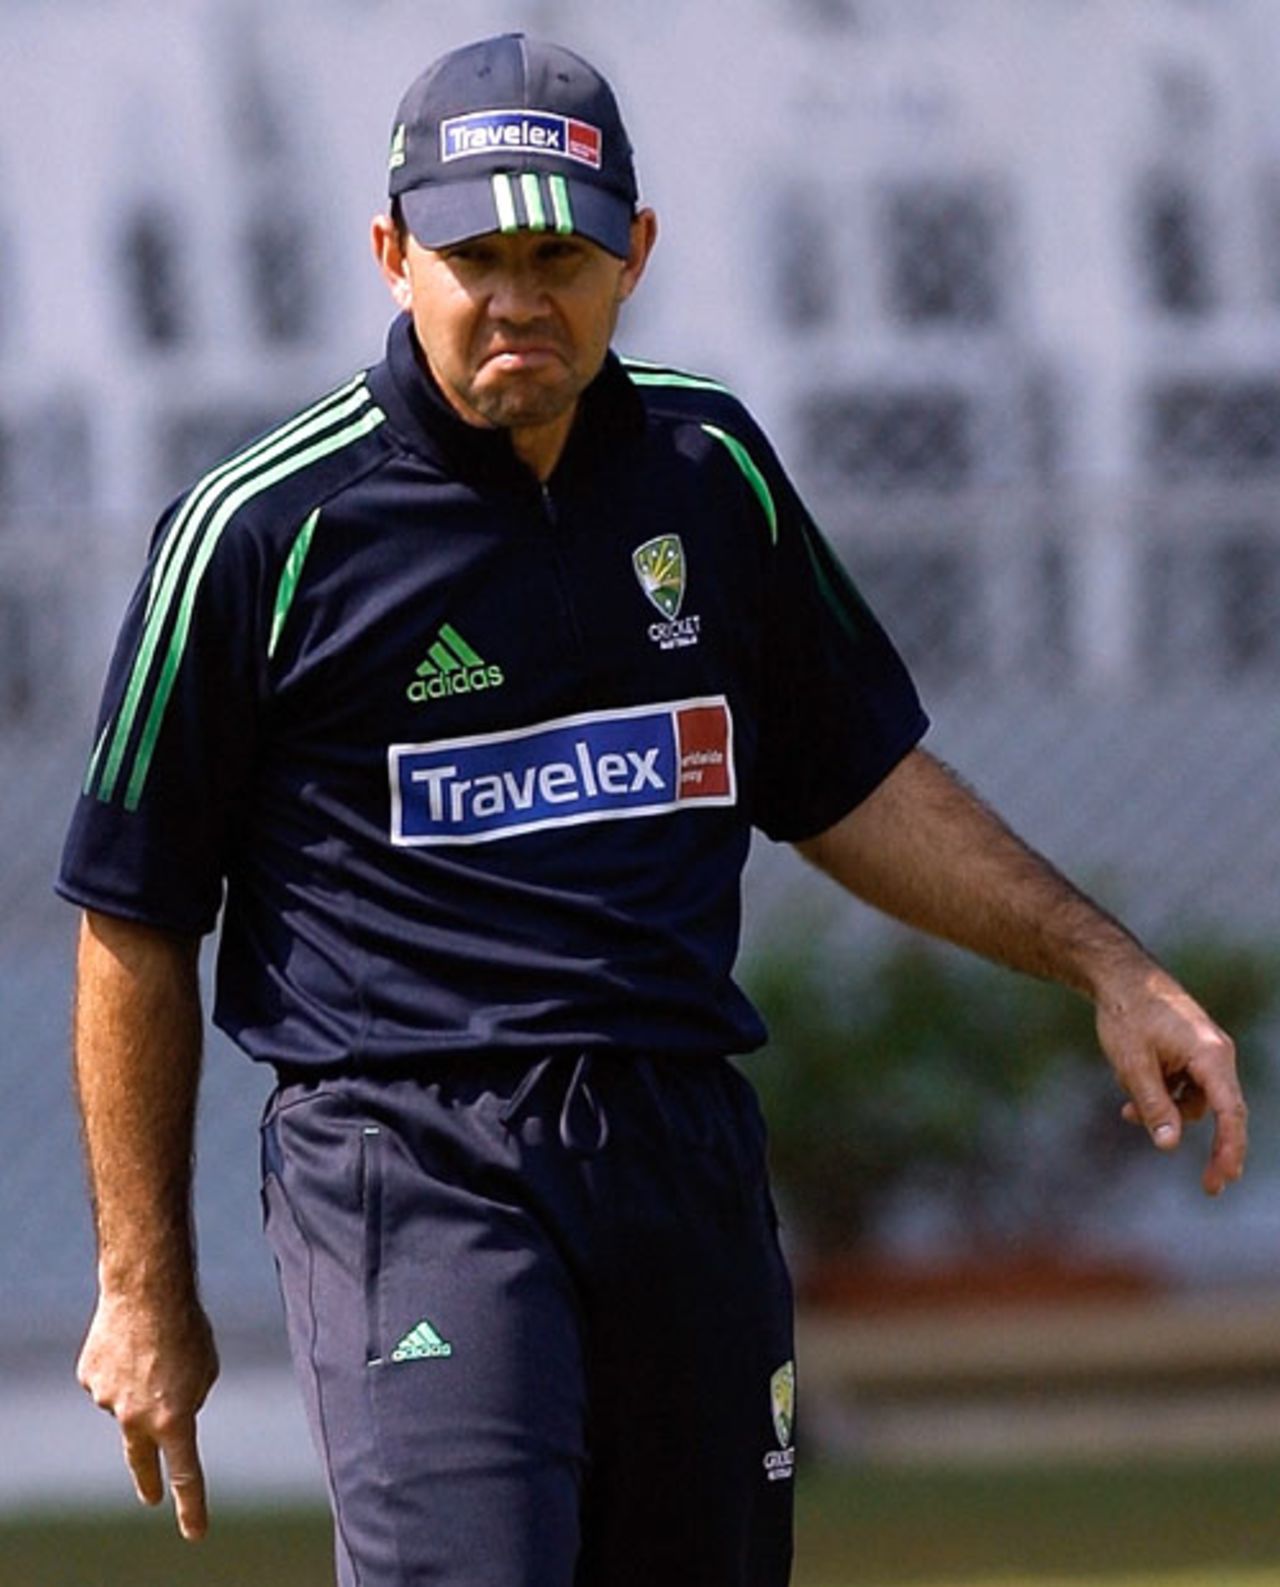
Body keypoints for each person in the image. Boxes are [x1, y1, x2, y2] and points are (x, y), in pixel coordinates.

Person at [58, 31, 1246, 1587]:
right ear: (390, 251)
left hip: (679, 1147)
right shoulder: (259, 534)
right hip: (411, 1162)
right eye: (476, 252)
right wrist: (147, 1287)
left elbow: (850, 779)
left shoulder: (711, 470)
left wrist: (1108, 964)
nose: (517, 297)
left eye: (564, 253)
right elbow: (133, 919)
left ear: (639, 257)